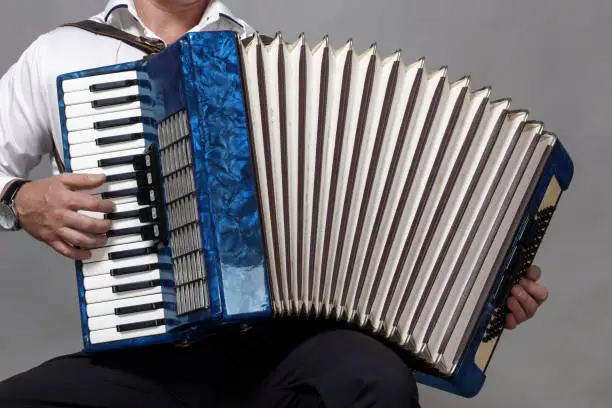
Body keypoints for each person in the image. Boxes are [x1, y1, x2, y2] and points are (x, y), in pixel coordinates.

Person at [0, 1, 550, 407]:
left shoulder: (265, 60)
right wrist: (20, 198)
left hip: (269, 347)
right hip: (138, 355)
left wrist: (486, 290)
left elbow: (367, 210)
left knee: (373, 378)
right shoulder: (61, 53)